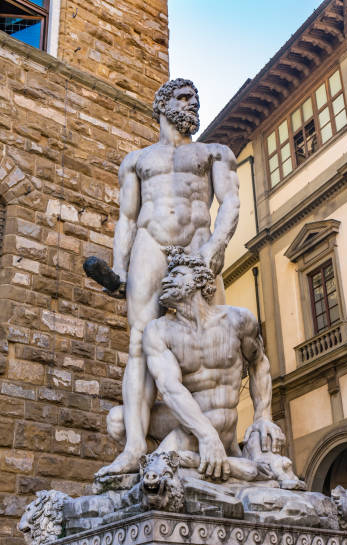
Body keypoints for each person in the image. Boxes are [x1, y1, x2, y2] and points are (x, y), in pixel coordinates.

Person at [97, 78, 240, 477]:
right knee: (141, 342)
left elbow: (230, 202)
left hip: (198, 248)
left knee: (213, 340)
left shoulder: (214, 152)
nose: (192, 102)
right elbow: (126, 218)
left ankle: (216, 436)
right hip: (151, 245)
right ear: (162, 103)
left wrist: (215, 248)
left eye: (196, 97)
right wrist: (120, 267)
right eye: (183, 96)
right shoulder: (137, 160)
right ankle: (133, 447)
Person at [138, 247, 285, 480]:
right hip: (191, 421)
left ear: (199, 280)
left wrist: (263, 416)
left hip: (220, 419)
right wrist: (206, 436)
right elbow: (169, 387)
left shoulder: (238, 320)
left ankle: (227, 461)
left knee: (159, 474)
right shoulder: (158, 330)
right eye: (167, 275)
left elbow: (259, 363)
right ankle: (239, 467)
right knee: (117, 421)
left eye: (176, 275)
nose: (166, 280)